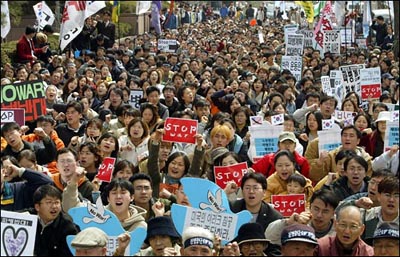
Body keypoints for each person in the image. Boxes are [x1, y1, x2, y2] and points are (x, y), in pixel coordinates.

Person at [229, 172, 283, 256]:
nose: (251, 191)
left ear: (264, 192)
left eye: (255, 188)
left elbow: (275, 249)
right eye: (247, 188)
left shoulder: (274, 217)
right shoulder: (232, 209)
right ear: (242, 191)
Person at [30, 184, 80, 256]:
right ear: (37, 207)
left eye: (57, 202)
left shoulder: (68, 227)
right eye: (49, 202)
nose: (54, 207)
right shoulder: (28, 217)